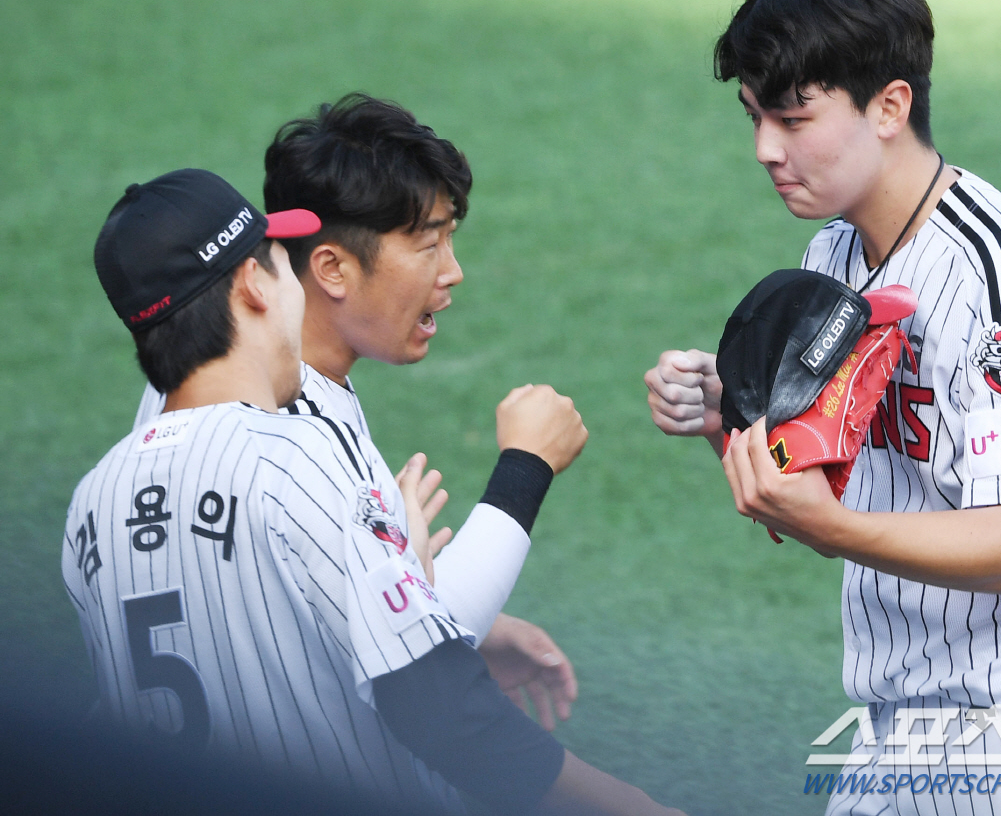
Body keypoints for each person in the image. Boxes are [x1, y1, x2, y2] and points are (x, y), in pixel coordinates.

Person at [645, 0, 1001, 814]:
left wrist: (835, 523)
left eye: (791, 117)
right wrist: (723, 418)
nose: (765, 149)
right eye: (754, 116)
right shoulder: (832, 257)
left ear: (890, 106)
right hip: (903, 731)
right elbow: (816, 500)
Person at [67, 169, 684, 816]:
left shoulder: (94, 501)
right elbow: (442, 709)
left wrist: (416, 596)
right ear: (252, 286)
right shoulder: (296, 457)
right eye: (282, 265)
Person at [135, 93, 579, 736]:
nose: (452, 273)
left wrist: (476, 623)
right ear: (332, 267)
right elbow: (426, 651)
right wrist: (526, 468)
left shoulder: (192, 381)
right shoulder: (299, 432)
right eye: (429, 244)